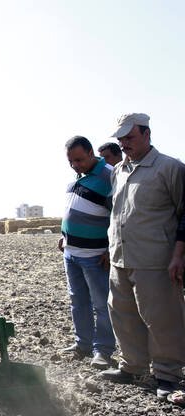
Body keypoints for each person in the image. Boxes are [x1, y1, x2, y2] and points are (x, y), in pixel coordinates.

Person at [99, 113, 185, 401]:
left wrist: (179, 254)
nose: (124, 144)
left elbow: (184, 214)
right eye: (121, 139)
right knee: (122, 313)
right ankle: (132, 366)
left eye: (130, 137)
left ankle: (167, 374)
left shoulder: (170, 168)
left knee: (162, 317)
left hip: (155, 257)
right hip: (121, 256)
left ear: (147, 134)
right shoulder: (118, 170)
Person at [57, 136, 115, 370]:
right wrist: (65, 234)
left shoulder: (109, 176)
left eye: (79, 160)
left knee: (102, 304)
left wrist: (111, 250)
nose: (75, 165)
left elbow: (119, 216)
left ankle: (103, 350)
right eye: (71, 161)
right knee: (78, 301)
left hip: (95, 254)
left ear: (92, 153)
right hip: (71, 253)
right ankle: (83, 343)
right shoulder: (77, 178)